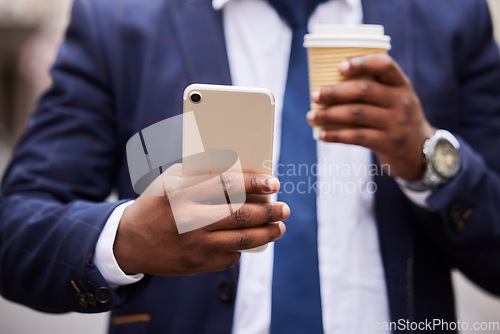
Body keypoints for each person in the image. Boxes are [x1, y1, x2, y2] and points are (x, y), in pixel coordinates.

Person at [1, 0, 500, 333]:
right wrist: (126, 239)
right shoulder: (119, 17)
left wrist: (433, 160)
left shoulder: (451, 14)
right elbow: (15, 230)